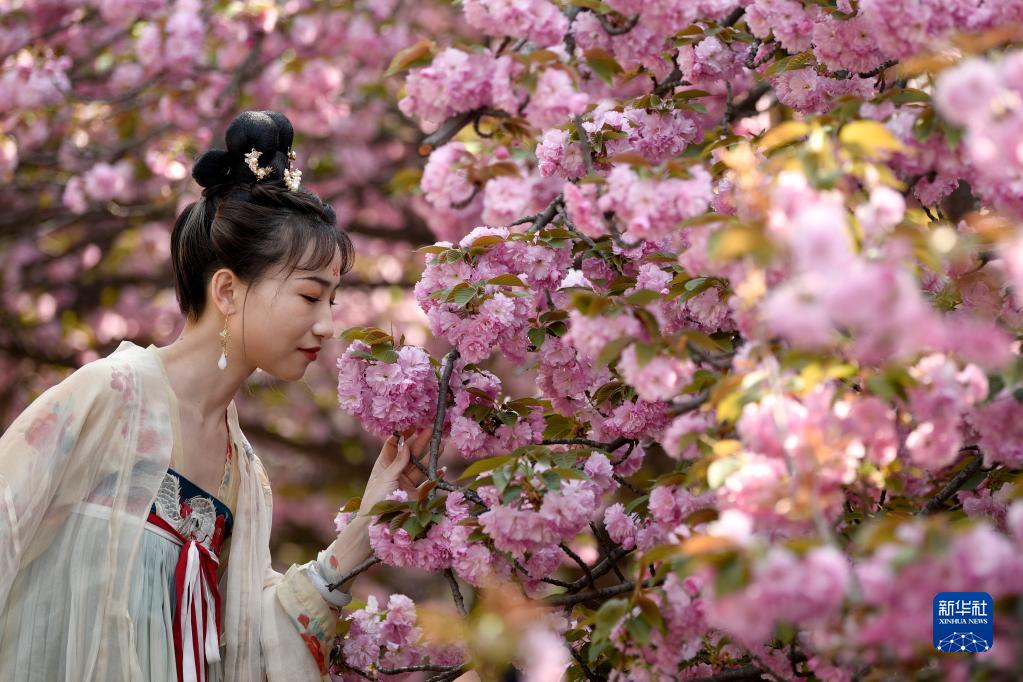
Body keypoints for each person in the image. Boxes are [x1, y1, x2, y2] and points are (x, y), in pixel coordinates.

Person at [0, 110, 434, 681]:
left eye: (334, 301)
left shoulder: (243, 474)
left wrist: (368, 524)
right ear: (227, 289)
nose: (328, 325)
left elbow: (243, 652)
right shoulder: (114, 395)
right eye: (310, 296)